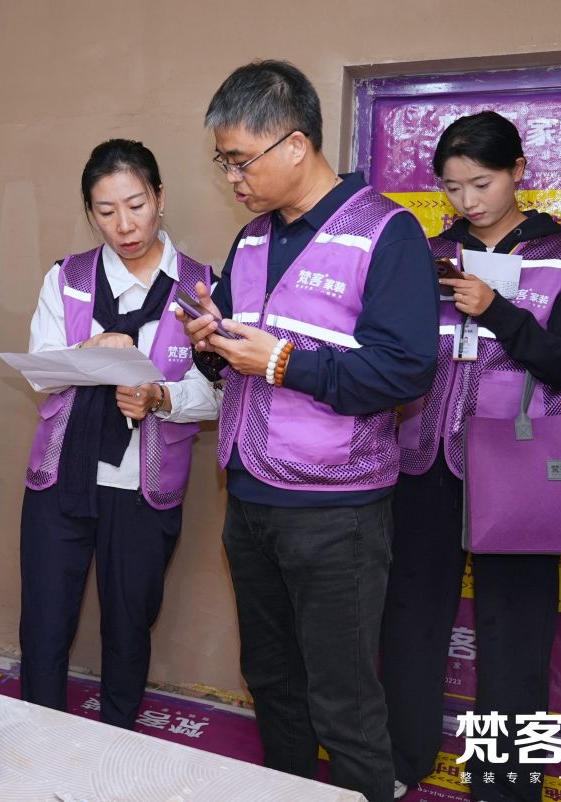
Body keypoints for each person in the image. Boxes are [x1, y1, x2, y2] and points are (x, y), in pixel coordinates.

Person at [179, 61, 439, 802]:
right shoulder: (251, 240)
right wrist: (210, 341)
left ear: (295, 145)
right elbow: (238, 354)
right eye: (223, 163)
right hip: (251, 498)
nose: (232, 178)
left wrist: (284, 362)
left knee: (343, 702)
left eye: (240, 160)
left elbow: (405, 371)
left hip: (337, 514)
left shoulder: (386, 233)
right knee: (271, 680)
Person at [380, 111, 561, 802]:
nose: (467, 201)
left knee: (516, 634)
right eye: (452, 187)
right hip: (425, 461)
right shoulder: (429, 252)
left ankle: (505, 786)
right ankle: (402, 760)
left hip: (519, 468)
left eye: (481, 183)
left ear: (517, 172)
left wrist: (498, 311)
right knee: (410, 622)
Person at [19, 139, 221, 729]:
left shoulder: (200, 287)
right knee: (44, 623)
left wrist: (162, 397)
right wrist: (90, 349)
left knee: (129, 627)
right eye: (106, 211)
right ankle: (42, 742)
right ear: (90, 212)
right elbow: (40, 372)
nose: (124, 226)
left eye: (136, 206)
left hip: (143, 487)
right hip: (61, 477)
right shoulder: (67, 278)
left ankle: (116, 745)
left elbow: (221, 393)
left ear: (160, 197)